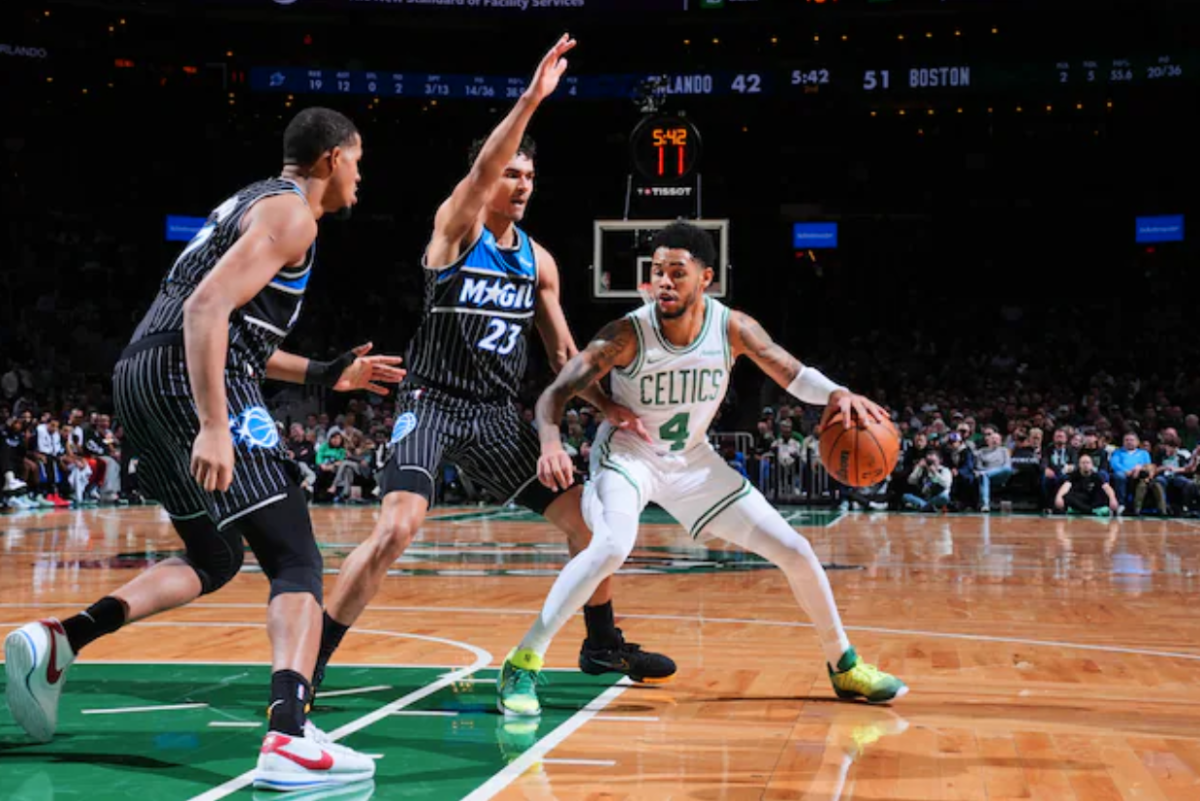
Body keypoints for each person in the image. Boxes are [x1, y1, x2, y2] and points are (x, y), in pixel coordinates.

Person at [4, 108, 404, 792]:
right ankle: (288, 732)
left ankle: (60, 640)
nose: (362, 175)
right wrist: (215, 423)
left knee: (215, 557)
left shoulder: (251, 201)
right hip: (190, 377)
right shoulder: (293, 215)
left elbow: (233, 326)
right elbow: (205, 313)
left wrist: (318, 373)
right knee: (296, 556)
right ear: (333, 157)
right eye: (359, 160)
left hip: (139, 375)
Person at [310, 34, 676, 692]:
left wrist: (607, 405)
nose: (522, 183)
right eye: (513, 172)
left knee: (593, 526)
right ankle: (311, 656)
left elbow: (564, 355)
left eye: (530, 176)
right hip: (432, 402)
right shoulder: (457, 229)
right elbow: (480, 176)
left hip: (496, 417)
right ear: (488, 175)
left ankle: (600, 643)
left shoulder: (540, 262)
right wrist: (533, 99)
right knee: (399, 524)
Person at [496, 222, 907, 716]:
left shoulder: (732, 327)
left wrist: (838, 393)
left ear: (705, 277)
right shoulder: (627, 333)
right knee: (609, 544)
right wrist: (552, 437)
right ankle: (522, 663)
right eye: (656, 273)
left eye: (677, 272)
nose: (664, 282)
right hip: (628, 456)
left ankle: (844, 666)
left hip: (693, 461)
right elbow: (555, 392)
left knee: (796, 550)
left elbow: (791, 372)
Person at [1053, 454, 1119, 516]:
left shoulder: (1097, 476)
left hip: (1093, 500)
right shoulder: (1074, 475)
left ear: (1092, 465)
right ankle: (1091, 511)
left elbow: (1107, 487)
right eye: (1083, 463)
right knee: (1067, 497)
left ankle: (1084, 511)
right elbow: (1066, 486)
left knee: (1107, 496)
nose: (1085, 465)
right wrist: (1059, 496)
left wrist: (1112, 498)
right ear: (1079, 465)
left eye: (1088, 463)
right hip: (1080, 500)